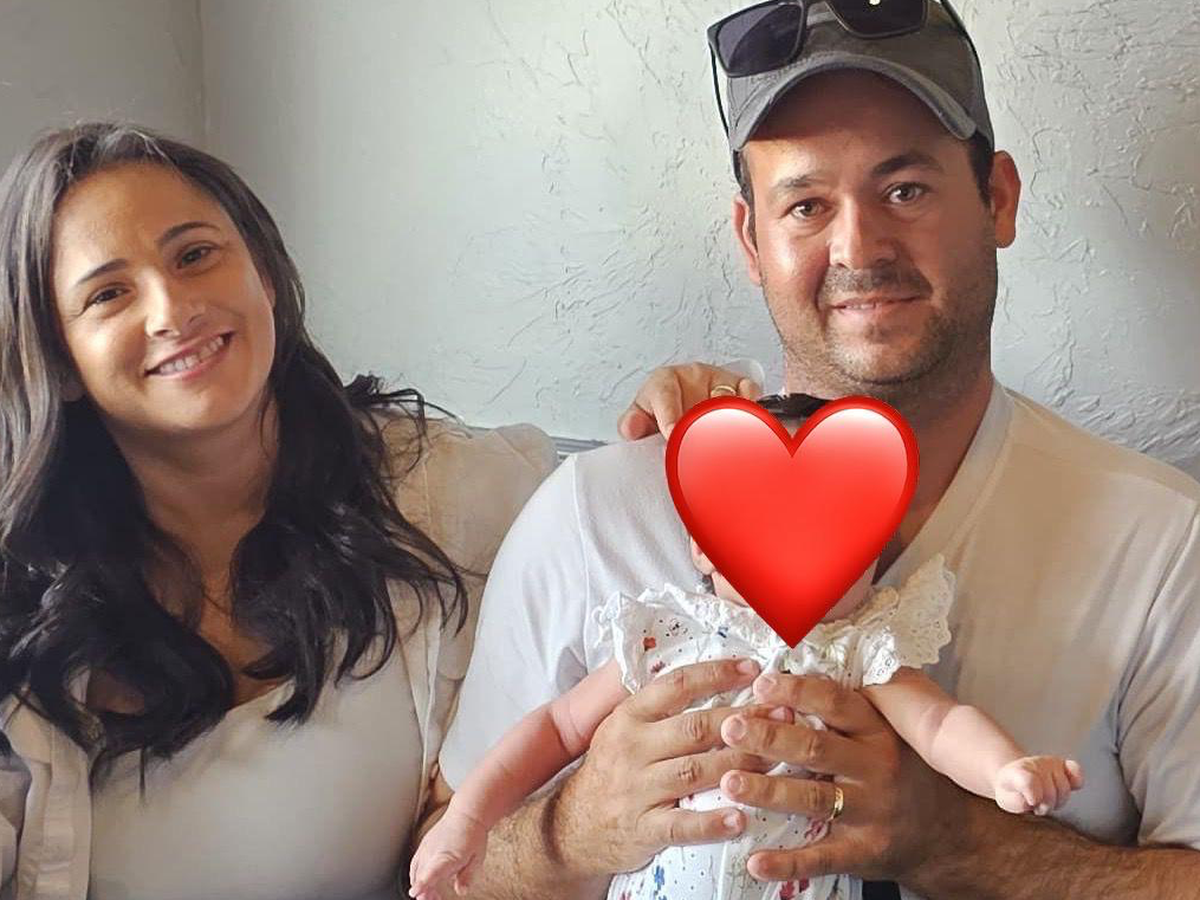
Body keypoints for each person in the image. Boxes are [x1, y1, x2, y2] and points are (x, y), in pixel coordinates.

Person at [429, 2, 1200, 898]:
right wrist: (574, 831)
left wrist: (956, 841)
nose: (858, 246)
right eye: (805, 205)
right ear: (751, 240)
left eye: (905, 190)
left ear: (997, 199)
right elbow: (441, 858)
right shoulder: (594, 512)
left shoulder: (1162, 542)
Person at [0, 122, 737, 900]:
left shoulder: (458, 497)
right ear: (59, 361)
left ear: (265, 276)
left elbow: (602, 592)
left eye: (194, 255)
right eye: (108, 294)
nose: (171, 308)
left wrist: (682, 441)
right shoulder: (24, 606)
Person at [410, 435, 1084, 900]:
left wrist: (1004, 770)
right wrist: (467, 822)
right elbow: (557, 728)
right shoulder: (668, 633)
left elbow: (939, 724)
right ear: (703, 548)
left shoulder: (855, 648)